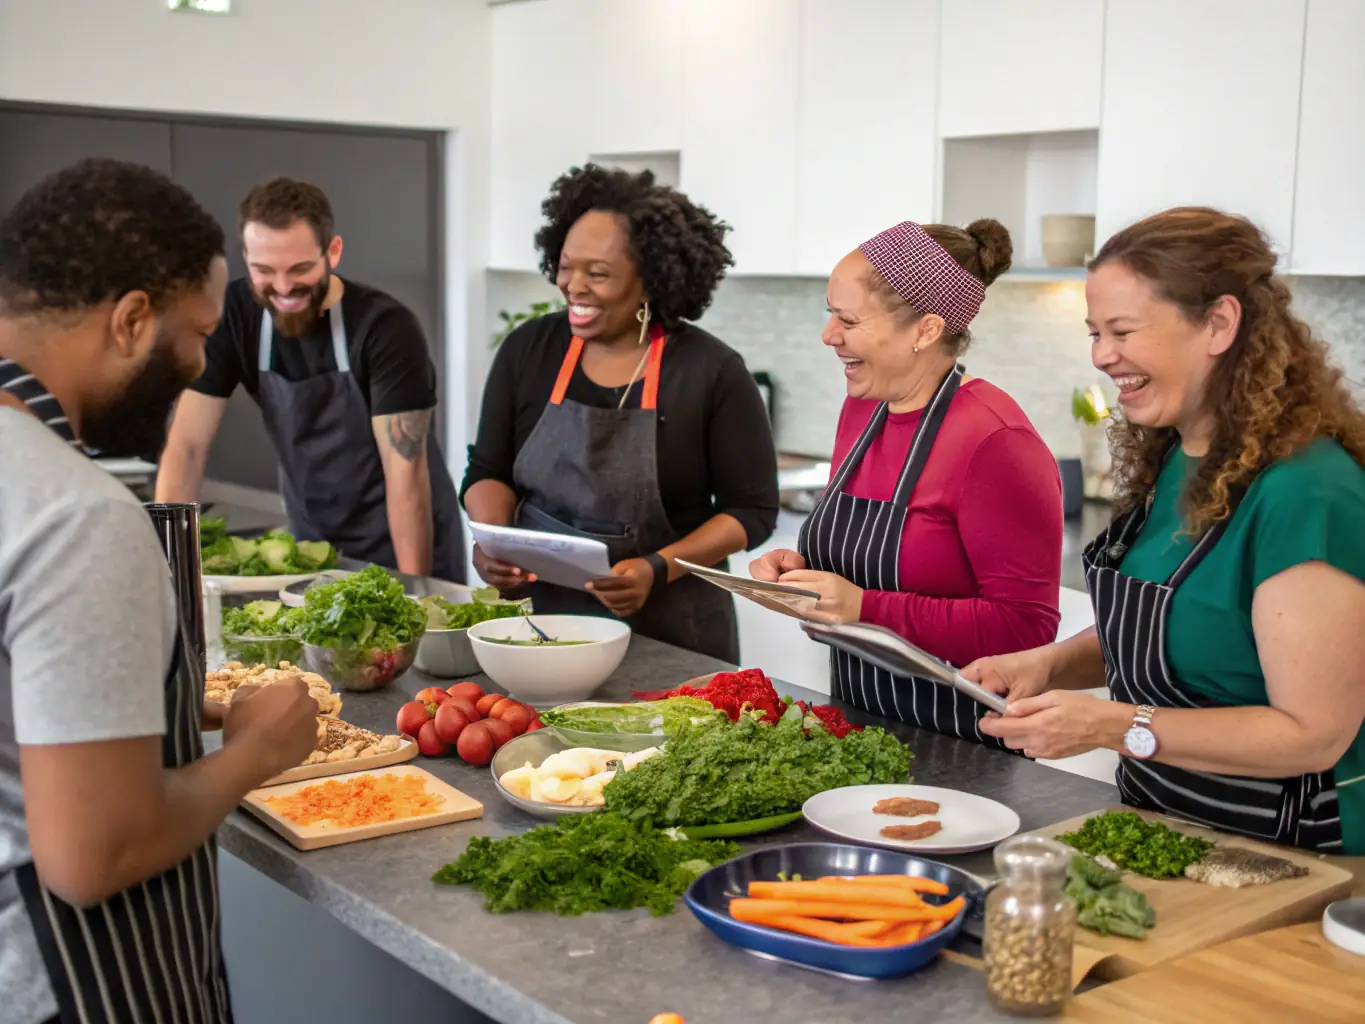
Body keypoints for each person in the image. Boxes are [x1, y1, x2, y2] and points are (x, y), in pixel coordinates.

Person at [0, 158, 320, 1024]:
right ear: (133, 320)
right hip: (71, 987)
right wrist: (257, 751)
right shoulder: (78, 518)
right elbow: (95, 852)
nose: (198, 367)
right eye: (195, 335)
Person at [968, 207, 1365, 855]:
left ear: (1218, 323)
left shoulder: (1307, 493)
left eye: (1121, 330)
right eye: (1094, 332)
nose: (1101, 356)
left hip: (1291, 852)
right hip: (1164, 826)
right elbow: (1181, 629)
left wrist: (1113, 725)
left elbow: (1311, 733)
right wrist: (1048, 666)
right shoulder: (1178, 455)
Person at [751, 220, 1063, 745]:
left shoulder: (995, 440)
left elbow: (1026, 628)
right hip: (856, 727)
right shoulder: (863, 408)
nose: (829, 335)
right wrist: (800, 575)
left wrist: (864, 608)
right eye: (830, 315)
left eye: (847, 319)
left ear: (925, 330)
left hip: (962, 746)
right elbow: (874, 570)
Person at [463, 164, 778, 662]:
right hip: (538, 629)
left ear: (651, 280)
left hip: (672, 634)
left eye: (599, 273)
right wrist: (495, 543)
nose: (573, 286)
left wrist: (658, 567)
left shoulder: (711, 371)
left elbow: (751, 512)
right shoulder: (529, 350)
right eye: (567, 266)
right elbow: (487, 472)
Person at [156, 177, 465, 581]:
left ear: (332, 252)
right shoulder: (233, 314)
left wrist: (415, 591)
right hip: (312, 540)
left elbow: (404, 474)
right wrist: (168, 568)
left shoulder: (385, 327)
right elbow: (188, 446)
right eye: (264, 270)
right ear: (245, 257)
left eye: (300, 269)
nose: (283, 287)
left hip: (405, 539)